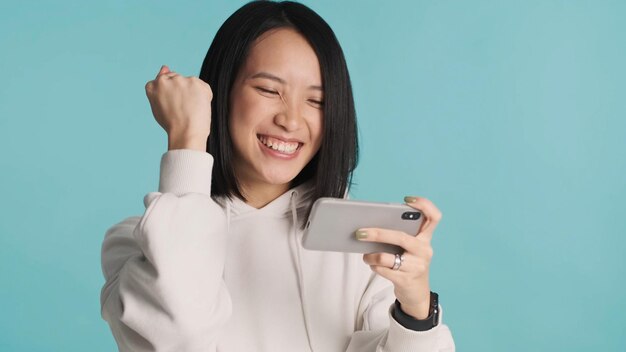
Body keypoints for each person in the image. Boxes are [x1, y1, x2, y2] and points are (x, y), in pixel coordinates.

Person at [99, 1, 455, 351]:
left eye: (316, 101)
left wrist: (415, 312)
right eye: (269, 90)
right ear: (221, 92)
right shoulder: (136, 245)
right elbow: (178, 336)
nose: (291, 120)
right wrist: (188, 141)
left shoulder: (361, 247)